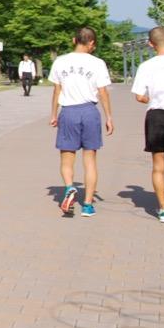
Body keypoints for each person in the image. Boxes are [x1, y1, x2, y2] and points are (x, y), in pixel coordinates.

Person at [50, 26, 114, 218]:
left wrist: (54, 114)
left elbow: (57, 90)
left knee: (67, 157)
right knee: (90, 159)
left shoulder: (60, 61)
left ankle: (70, 187)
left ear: (73, 40)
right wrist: (109, 116)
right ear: (92, 43)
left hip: (68, 111)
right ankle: (87, 204)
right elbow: (102, 92)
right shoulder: (97, 63)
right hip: (89, 111)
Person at [131, 26, 164, 225]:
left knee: (158, 165)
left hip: (156, 116)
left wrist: (150, 99)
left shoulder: (146, 66)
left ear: (151, 44)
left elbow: (139, 96)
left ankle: (163, 209)